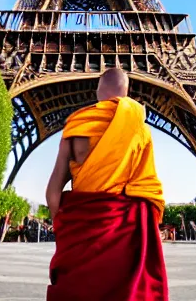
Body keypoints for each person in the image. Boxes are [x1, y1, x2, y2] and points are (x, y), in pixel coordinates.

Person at [45, 68, 168, 301]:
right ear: (127, 92)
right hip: (124, 226)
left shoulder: (77, 125)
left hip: (79, 226)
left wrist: (63, 224)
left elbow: (54, 188)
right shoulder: (139, 128)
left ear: (98, 91)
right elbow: (146, 185)